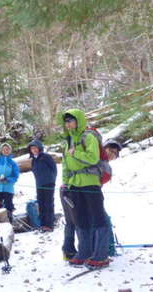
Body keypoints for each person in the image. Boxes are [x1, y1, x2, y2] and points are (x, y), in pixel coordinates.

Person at [60, 109, 111, 269]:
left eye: (70, 120)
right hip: (74, 185)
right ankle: (84, 252)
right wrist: (65, 183)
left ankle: (101, 255)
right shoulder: (68, 141)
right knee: (80, 219)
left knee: (98, 217)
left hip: (90, 182)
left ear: (78, 120)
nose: (68, 123)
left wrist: (75, 154)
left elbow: (93, 158)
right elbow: (65, 165)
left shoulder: (88, 136)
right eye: (66, 121)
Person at [61, 136, 122, 261]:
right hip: (72, 189)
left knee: (78, 221)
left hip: (75, 190)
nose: (112, 154)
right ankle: (79, 251)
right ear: (103, 148)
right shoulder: (93, 157)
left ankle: (76, 251)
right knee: (79, 221)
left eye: (115, 153)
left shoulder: (104, 165)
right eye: (110, 150)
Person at [27, 139, 57, 232]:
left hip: (48, 184)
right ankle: (43, 224)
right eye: (32, 148)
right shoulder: (33, 161)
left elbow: (54, 169)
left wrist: (51, 180)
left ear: (39, 148)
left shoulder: (46, 157)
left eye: (35, 148)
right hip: (39, 185)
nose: (34, 150)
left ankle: (49, 224)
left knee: (48, 204)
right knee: (41, 204)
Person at [0, 143, 20, 223]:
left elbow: (15, 176)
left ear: (10, 151)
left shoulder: (13, 163)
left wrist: (8, 179)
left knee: (8, 206)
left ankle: (9, 223)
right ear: (1, 151)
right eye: (4, 149)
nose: (5, 151)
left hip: (8, 189)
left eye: (7, 149)